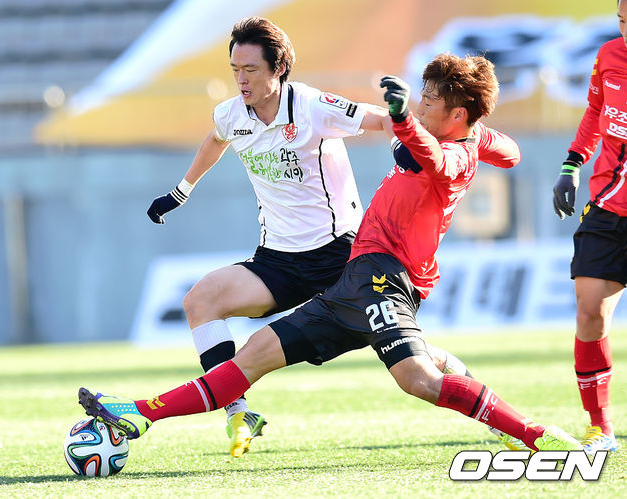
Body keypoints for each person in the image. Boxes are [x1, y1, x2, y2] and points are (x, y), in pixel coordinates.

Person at [80, 54, 582, 455]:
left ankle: (534, 434)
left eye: (429, 102)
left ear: (456, 115)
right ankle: (139, 412)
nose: (419, 106)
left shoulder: (449, 155)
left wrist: (404, 121)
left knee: (418, 379)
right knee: (253, 354)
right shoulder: (469, 136)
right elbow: (510, 152)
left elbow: (435, 158)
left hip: (384, 276)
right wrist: (477, 138)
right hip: (354, 281)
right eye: (420, 97)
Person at [144, 16, 471, 458]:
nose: (241, 80)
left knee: (407, 358)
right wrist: (181, 191)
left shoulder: (313, 105)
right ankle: (238, 411)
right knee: (200, 301)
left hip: (341, 256)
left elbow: (379, 119)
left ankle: (466, 383)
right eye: (235, 70)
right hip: (277, 260)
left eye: (251, 70)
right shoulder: (230, 113)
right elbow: (215, 140)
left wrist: (405, 141)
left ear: (279, 68)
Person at [551, 0, 627, 455]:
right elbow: (595, 111)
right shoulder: (609, 56)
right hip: (608, 208)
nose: (626, 31)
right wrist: (571, 165)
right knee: (589, 312)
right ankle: (600, 426)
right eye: (621, 21)